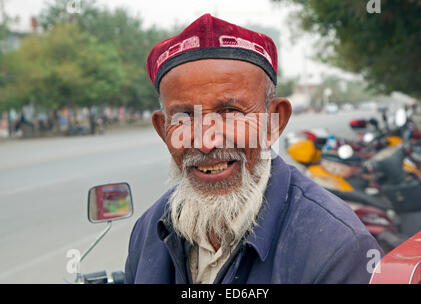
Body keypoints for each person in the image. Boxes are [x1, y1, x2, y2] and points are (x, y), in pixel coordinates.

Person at [124, 14, 383, 284]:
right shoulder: (148, 232)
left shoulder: (335, 247)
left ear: (274, 121)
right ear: (163, 129)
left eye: (230, 112)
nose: (205, 142)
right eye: (184, 117)